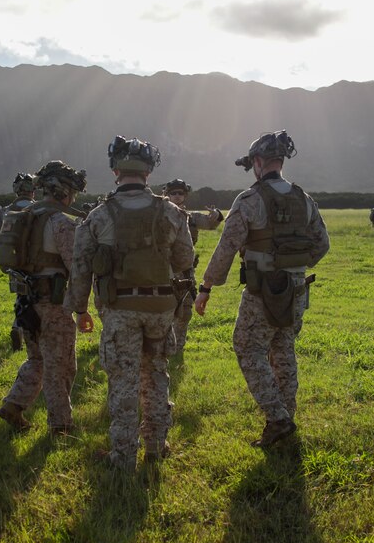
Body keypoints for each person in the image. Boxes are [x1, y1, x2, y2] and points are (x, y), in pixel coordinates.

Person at [194, 130, 330, 447]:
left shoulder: (249, 201)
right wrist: (294, 265)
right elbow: (322, 245)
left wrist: (206, 287)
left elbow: (227, 248)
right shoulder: (304, 199)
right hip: (297, 291)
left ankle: (278, 418)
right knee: (283, 352)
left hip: (262, 293)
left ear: (257, 162)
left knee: (248, 348)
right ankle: (285, 424)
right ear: (280, 161)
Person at [65, 136, 194, 469]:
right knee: (156, 372)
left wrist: (79, 310)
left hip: (119, 309)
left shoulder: (98, 215)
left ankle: (123, 458)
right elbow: (183, 260)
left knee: (124, 380)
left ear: (115, 171)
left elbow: (80, 268)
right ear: (149, 172)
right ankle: (156, 445)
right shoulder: (172, 212)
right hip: (161, 308)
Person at [0, 161, 88, 436]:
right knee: (61, 366)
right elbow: (77, 267)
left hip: (25, 303)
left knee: (37, 359)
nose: (72, 198)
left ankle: (14, 405)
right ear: (62, 192)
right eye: (71, 192)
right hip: (54, 305)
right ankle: (60, 425)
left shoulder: (23, 215)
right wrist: (82, 308)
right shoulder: (59, 222)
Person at [161, 178, 224, 355]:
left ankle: (177, 348)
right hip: (163, 271)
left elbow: (212, 223)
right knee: (163, 309)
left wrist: (216, 215)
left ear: (185, 195)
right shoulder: (159, 215)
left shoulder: (192, 218)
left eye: (180, 193)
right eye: (173, 193)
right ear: (167, 194)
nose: (177, 196)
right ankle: (162, 347)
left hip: (185, 272)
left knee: (185, 310)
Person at [0, 172, 36, 246]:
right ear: (33, 192)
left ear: (16, 191)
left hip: (10, 255)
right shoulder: (40, 209)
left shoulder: (5, 211)